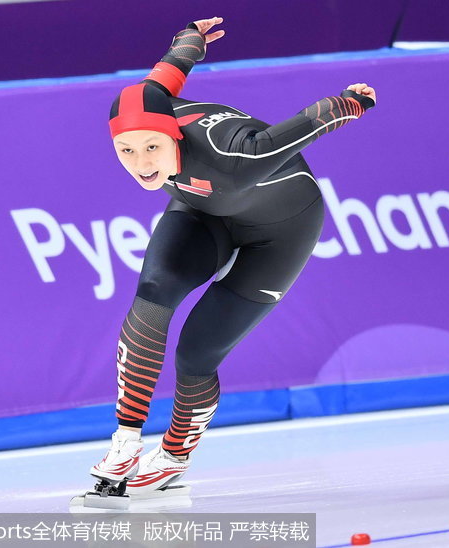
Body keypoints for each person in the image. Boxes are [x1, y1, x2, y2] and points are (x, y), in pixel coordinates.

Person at [90, 16, 376, 496]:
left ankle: (176, 454)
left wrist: (352, 101)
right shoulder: (150, 105)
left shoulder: (236, 155)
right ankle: (124, 440)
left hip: (281, 232)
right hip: (203, 211)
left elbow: (311, 123)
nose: (141, 165)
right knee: (154, 292)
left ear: (174, 135)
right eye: (126, 151)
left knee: (197, 352)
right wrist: (189, 40)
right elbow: (168, 71)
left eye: (152, 147)